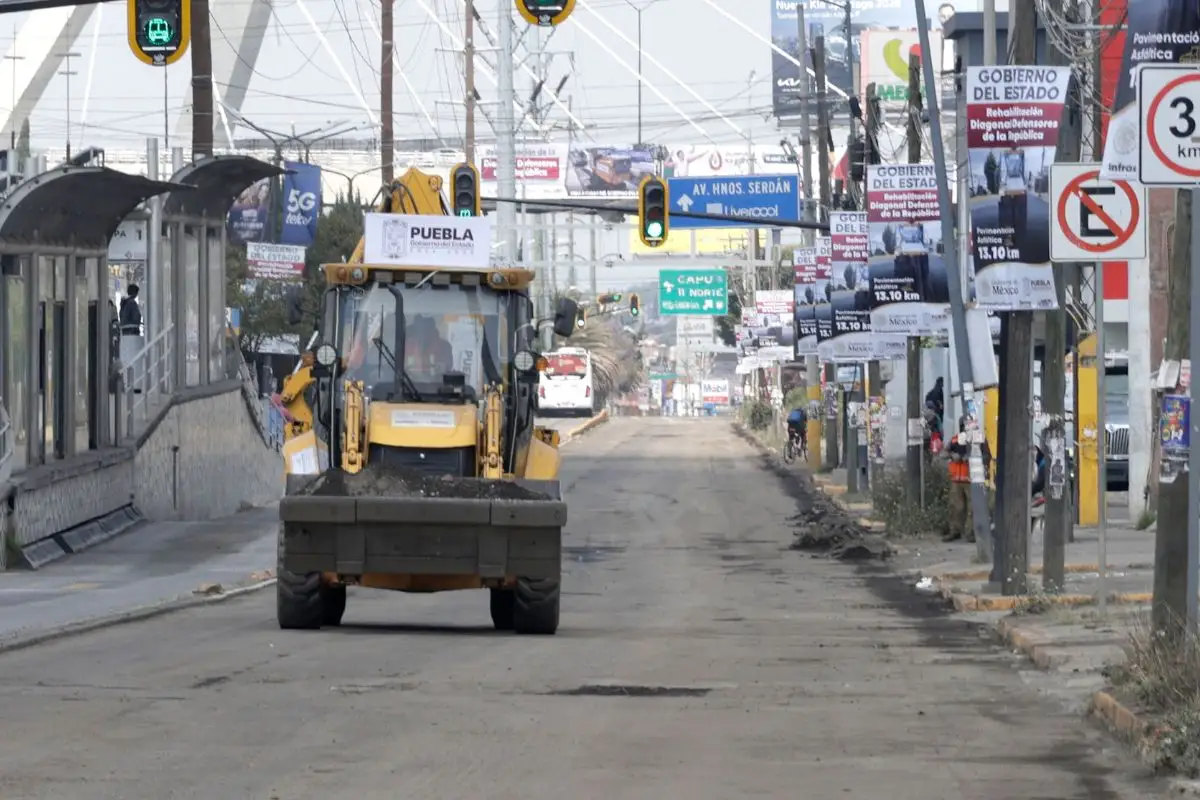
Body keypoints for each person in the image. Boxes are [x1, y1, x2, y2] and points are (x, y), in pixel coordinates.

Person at [404, 316, 454, 380]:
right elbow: (397, 369)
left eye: (426, 328)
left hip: (436, 386)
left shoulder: (444, 347)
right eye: (419, 328)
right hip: (406, 386)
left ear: (432, 329)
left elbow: (447, 368)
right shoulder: (405, 345)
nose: (422, 331)